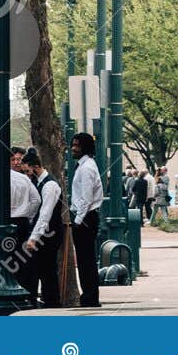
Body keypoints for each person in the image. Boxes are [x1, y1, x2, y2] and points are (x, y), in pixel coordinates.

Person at [22, 148, 64, 309]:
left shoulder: (49, 186)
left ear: (36, 167)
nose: (27, 174)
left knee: (47, 268)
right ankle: (49, 299)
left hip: (50, 233)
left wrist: (34, 238)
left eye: (28, 171)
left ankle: (52, 301)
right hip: (46, 232)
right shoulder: (40, 183)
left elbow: (45, 214)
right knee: (44, 267)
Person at [70, 132, 104, 309]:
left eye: (77, 145)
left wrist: (77, 220)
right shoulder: (84, 166)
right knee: (84, 260)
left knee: (86, 260)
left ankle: (90, 296)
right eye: (73, 145)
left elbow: (86, 197)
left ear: (85, 147)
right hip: (85, 217)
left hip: (86, 218)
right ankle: (89, 295)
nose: (73, 148)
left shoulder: (86, 168)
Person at [9, 146, 41, 288]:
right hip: (22, 222)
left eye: (19, 160)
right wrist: (28, 215)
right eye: (13, 159)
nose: (16, 162)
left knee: (9, 260)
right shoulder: (25, 179)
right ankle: (26, 290)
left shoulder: (1, 177)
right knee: (24, 260)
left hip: (7, 223)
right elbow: (37, 200)